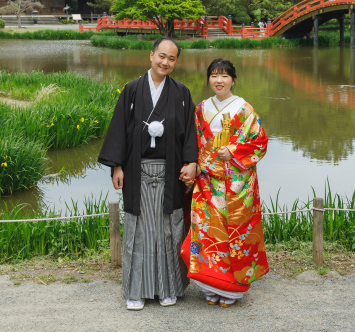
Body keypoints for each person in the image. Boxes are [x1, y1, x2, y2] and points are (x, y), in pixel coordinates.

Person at [98, 37, 198, 311]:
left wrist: (192, 162)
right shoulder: (132, 90)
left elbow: (190, 132)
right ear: (151, 56)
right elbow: (119, 129)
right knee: (138, 232)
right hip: (136, 171)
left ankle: (169, 288)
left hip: (170, 173)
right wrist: (116, 167)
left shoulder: (181, 93)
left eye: (172, 59)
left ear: (176, 62)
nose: (165, 62)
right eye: (161, 56)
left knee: (169, 231)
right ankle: (136, 291)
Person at [180, 58, 269, 307]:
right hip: (207, 182)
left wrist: (234, 151)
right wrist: (194, 165)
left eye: (224, 76)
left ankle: (231, 289)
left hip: (236, 183)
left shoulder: (245, 109)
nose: (219, 81)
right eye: (214, 76)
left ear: (233, 79)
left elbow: (259, 143)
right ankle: (209, 285)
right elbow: (192, 142)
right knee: (206, 233)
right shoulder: (200, 109)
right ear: (208, 79)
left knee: (233, 236)